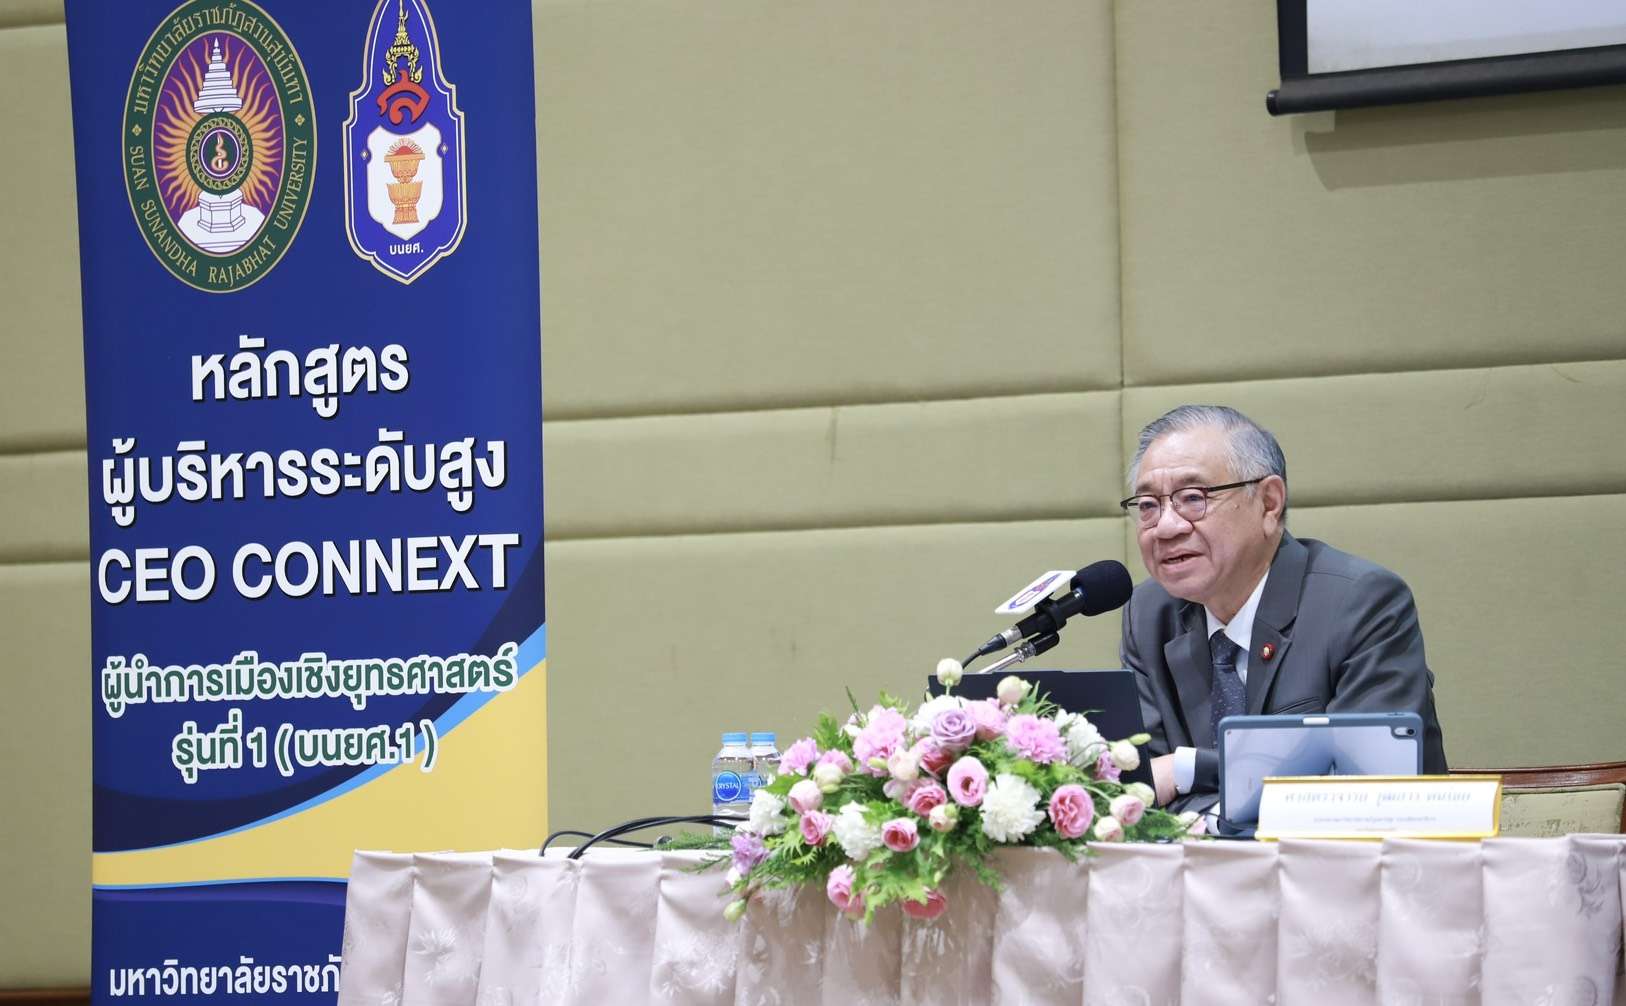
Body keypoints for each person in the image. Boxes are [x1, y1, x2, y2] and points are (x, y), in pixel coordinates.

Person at [1118, 405, 1446, 813]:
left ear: (1269, 503)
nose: (1166, 527)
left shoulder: (1360, 602)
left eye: (1192, 498)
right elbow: (1138, 790)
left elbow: (1362, 786)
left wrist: (1185, 768)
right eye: (1148, 505)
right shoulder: (1149, 614)